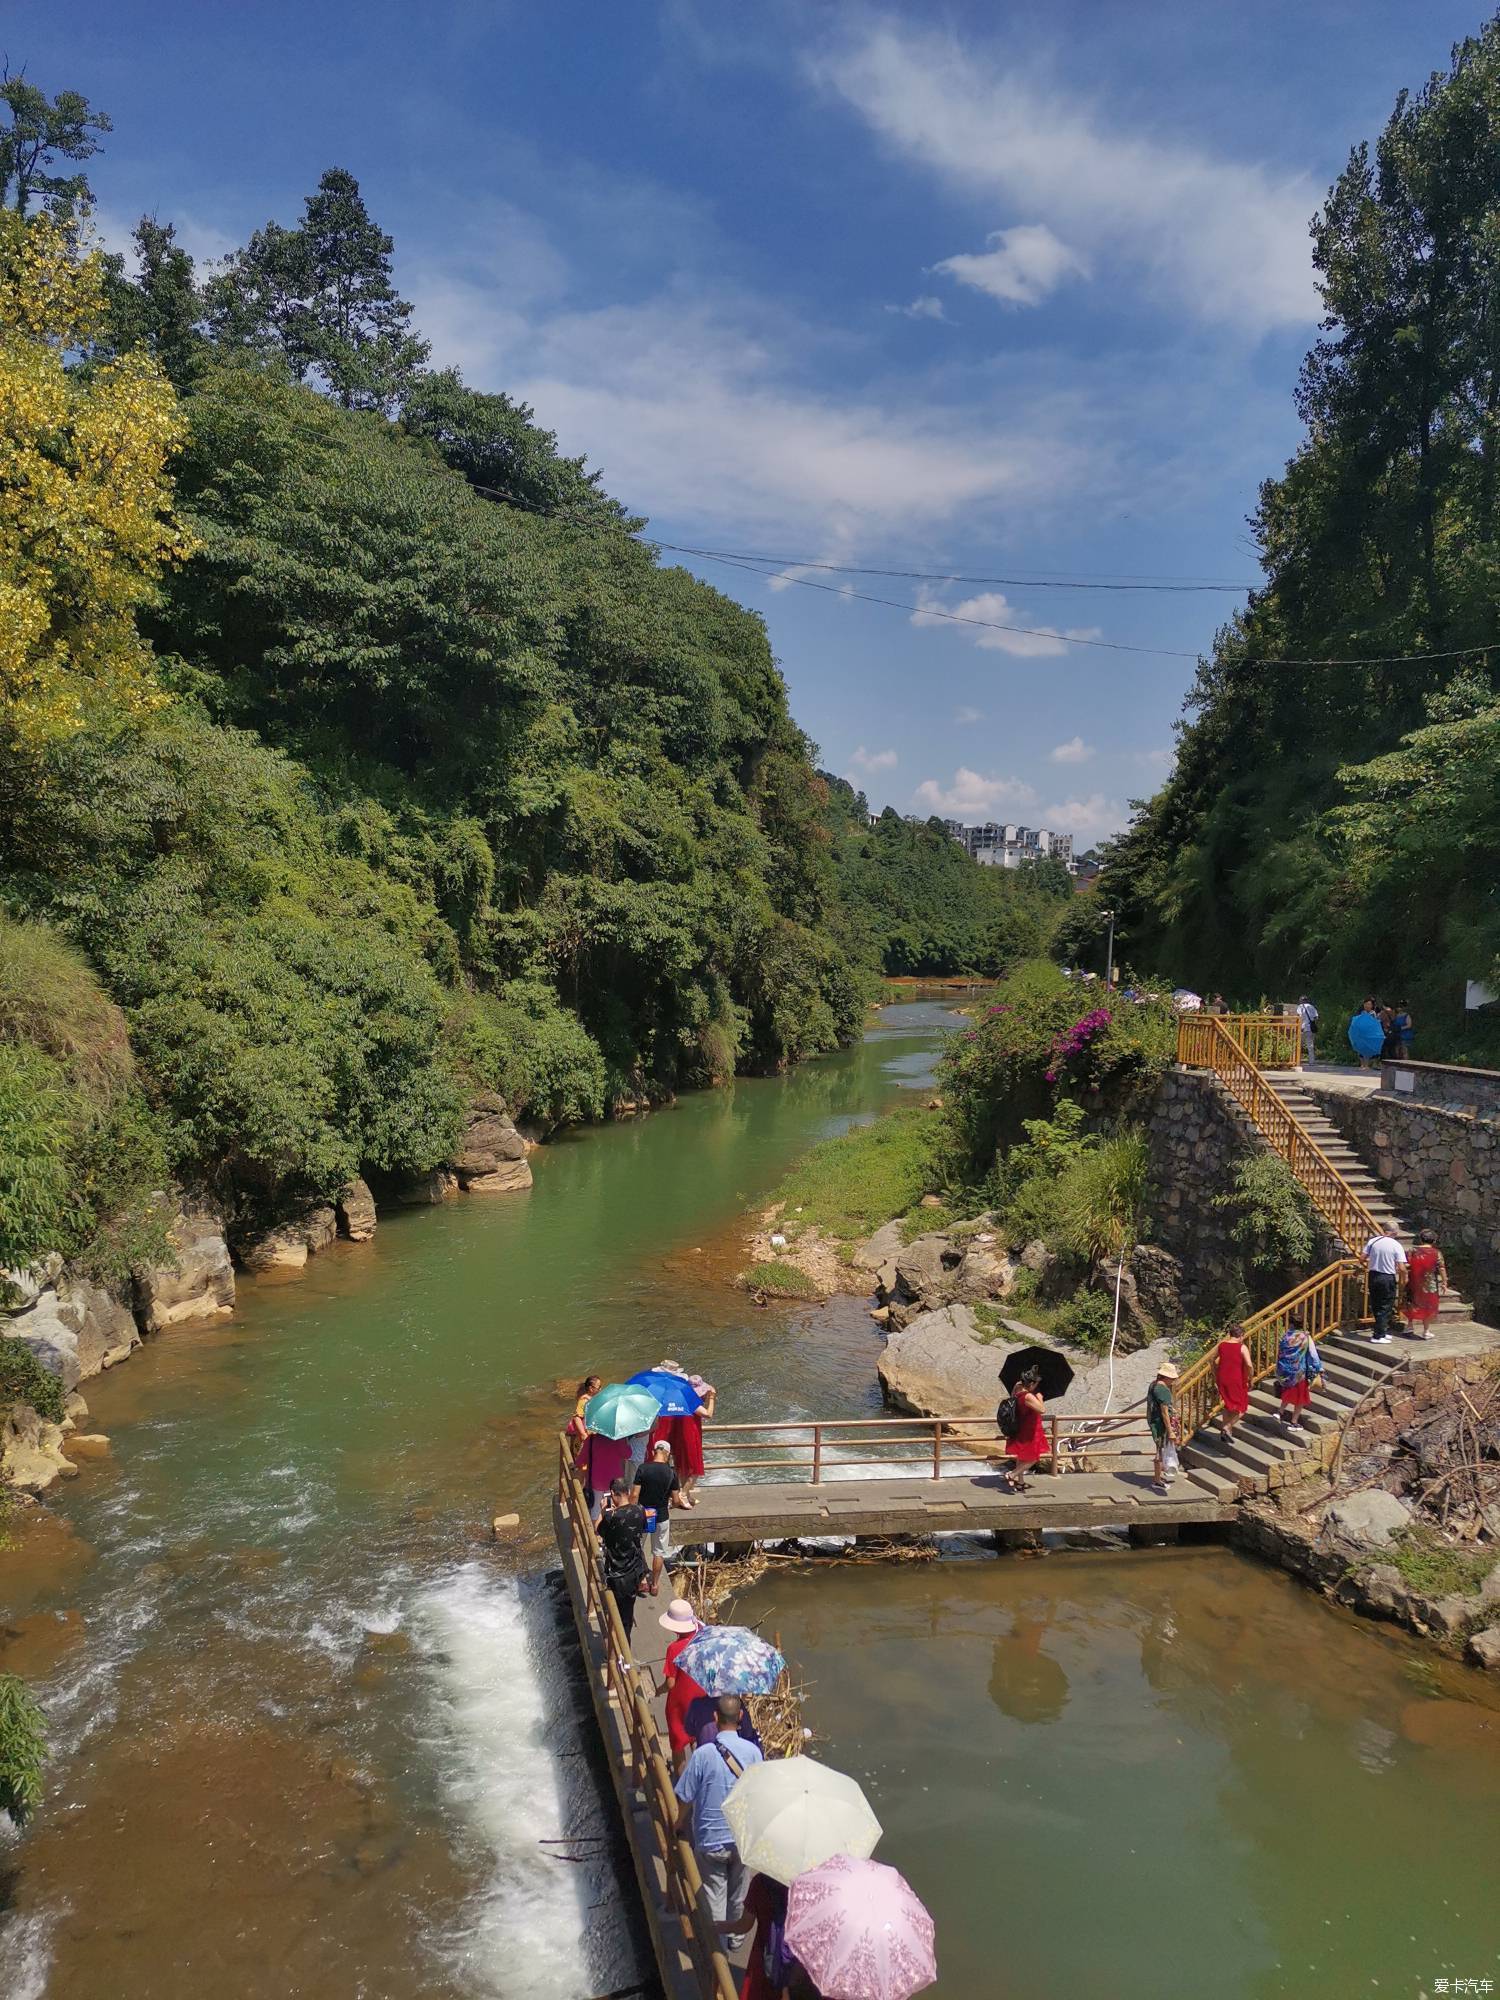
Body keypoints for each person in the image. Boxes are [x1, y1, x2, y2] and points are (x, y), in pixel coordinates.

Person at [674, 1694, 763, 1935]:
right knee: (739, 1895)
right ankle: (735, 1940)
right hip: (742, 1840)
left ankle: (717, 1950)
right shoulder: (754, 1753)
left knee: (714, 1895)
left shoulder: (703, 1755)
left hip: (710, 1840)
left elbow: (685, 1796)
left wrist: (678, 1824)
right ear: (741, 1717)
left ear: (715, 1718)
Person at [650, 1360, 717, 1507]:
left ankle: (684, 1494)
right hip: (690, 1435)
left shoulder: (673, 1397)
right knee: (695, 1468)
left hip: (676, 1434)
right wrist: (712, 1398)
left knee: (681, 1465)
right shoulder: (691, 1401)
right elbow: (708, 1414)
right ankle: (682, 1494)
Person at [659, 1598, 710, 1774]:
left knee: (679, 1743)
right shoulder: (702, 1638)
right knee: (698, 1738)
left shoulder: (673, 1649)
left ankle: (681, 1787)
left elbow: (670, 1683)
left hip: (680, 1703)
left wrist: (659, 1690)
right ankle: (699, 1777)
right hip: (701, 1696)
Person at [596, 1476, 649, 1642]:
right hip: (634, 1571)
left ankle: (620, 1653)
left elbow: (599, 1531)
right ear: (627, 1492)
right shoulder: (640, 1510)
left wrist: (603, 1512)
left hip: (617, 1574)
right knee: (627, 1614)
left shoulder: (613, 1517)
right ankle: (622, 1646)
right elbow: (644, 1528)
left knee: (617, 1614)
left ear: (613, 1493)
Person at [631, 1438, 685, 1595]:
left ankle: (641, 1581)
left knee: (639, 1546)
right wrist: (671, 1504)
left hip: (646, 1513)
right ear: (667, 1454)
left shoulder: (643, 1468)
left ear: (654, 1451)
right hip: (661, 1514)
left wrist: (631, 1510)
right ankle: (654, 1585)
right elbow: (676, 1501)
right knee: (658, 1552)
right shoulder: (671, 1473)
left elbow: (634, 1495)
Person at [1000, 1365, 1047, 1493]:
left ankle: (1020, 1483)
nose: (1036, 1386)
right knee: (1033, 1457)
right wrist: (1040, 1398)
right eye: (1036, 1383)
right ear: (1031, 1383)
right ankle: (1012, 1474)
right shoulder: (1028, 1396)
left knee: (1022, 1456)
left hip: (1021, 1426)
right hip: (1030, 1429)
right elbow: (1042, 1410)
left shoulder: (1017, 1388)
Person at [1274, 1313, 1322, 1430]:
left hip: (1285, 1371)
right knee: (1300, 1398)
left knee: (1289, 1392)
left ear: (1290, 1324)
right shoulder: (1305, 1337)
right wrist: (1318, 1368)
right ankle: (1294, 1422)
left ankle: (1280, 1412)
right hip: (1299, 1372)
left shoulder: (1285, 1337)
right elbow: (1313, 1354)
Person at [1363, 1223, 1408, 1344]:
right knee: (1386, 1305)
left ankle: (1381, 1330)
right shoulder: (1396, 1245)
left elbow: (1362, 1258)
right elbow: (1401, 1267)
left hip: (1373, 1275)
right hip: (1387, 1277)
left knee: (1376, 1304)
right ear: (1395, 1232)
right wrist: (1404, 1276)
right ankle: (1378, 1335)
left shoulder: (1373, 1241)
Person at [581, 1428, 632, 1525]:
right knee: (609, 1508)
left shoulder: (591, 1439)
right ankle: (608, 1532)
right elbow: (627, 1454)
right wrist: (626, 1441)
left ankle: (595, 1536)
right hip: (613, 1482)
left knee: (595, 1509)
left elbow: (581, 1459)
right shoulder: (619, 1439)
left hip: (596, 1480)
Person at [1404, 1228, 1447, 1340]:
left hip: (1414, 1281)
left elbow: (1406, 1265)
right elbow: (1441, 1268)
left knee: (1411, 1302)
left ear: (1421, 1240)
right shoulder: (1437, 1253)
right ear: (1434, 1241)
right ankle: (1426, 1330)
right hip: (1430, 1283)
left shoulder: (1412, 1250)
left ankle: (1409, 1325)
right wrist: (1444, 1281)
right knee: (1428, 1305)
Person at [1214, 1323, 1252, 1443]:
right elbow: (1249, 1364)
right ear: (1240, 1335)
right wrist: (1250, 1377)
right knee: (1242, 1407)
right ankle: (1227, 1426)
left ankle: (1225, 1433)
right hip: (1236, 1379)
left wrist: (1215, 1373)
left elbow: (1213, 1360)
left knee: (1228, 1404)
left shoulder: (1222, 1345)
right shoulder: (1242, 1347)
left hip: (1222, 1378)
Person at [1146, 1360, 1180, 1492]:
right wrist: (1171, 1431)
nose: (1173, 1381)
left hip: (1153, 1421)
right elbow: (1165, 1412)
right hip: (1160, 1424)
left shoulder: (1153, 1385)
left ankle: (1158, 1477)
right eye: (1172, 1378)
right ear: (1166, 1377)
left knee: (1159, 1449)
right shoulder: (1163, 1390)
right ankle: (1157, 1480)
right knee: (1160, 1451)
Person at [567, 1374, 601, 1466]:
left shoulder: (592, 1399)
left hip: (592, 1438)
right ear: (591, 1388)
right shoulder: (584, 1401)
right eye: (599, 1387)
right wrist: (583, 1434)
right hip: (585, 1439)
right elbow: (577, 1417)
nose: (600, 1389)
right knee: (583, 1465)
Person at [1348, 998, 1384, 1070]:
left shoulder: (1373, 1013)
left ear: (1371, 1005)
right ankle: (1362, 1064)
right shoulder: (1361, 1012)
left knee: (1367, 1049)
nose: (1367, 1006)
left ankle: (1367, 1065)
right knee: (1360, 1048)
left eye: (1369, 1004)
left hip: (1369, 1034)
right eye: (1366, 1004)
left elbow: (1375, 1023)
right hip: (1360, 1033)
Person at [1295, 994, 1318, 1065]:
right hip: (1310, 1028)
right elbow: (1316, 1017)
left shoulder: (1300, 1007)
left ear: (1301, 1001)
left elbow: (1299, 1016)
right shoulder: (1312, 1007)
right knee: (1310, 1045)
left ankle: (1298, 1061)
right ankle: (1312, 1062)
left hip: (1302, 1028)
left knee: (1298, 1045)